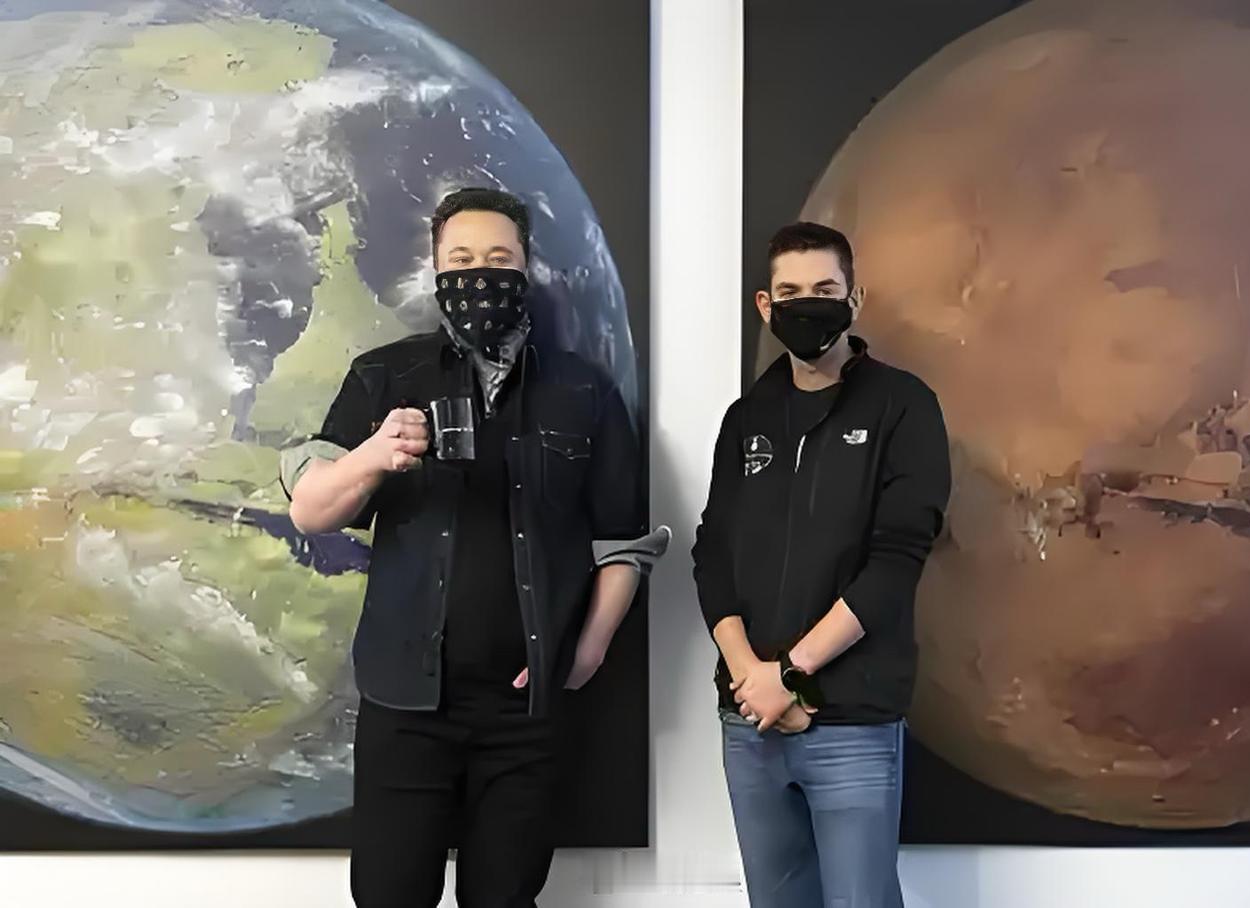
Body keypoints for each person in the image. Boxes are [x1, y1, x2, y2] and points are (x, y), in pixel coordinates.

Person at [281, 188, 655, 907]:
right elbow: (311, 511)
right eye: (460, 260)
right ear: (435, 268)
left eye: (497, 259)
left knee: (505, 898)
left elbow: (623, 541)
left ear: (525, 268)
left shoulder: (582, 390)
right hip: (405, 702)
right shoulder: (384, 375)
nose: (479, 274)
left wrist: (586, 650)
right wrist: (375, 455)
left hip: (525, 712)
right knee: (389, 895)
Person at [692, 222, 951, 907]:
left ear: (853, 299)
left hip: (852, 722)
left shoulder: (904, 406)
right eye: (790, 293)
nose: (807, 305)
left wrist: (791, 675)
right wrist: (751, 676)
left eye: (825, 290)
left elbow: (896, 560)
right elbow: (711, 553)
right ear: (765, 305)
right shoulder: (746, 418)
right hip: (750, 720)